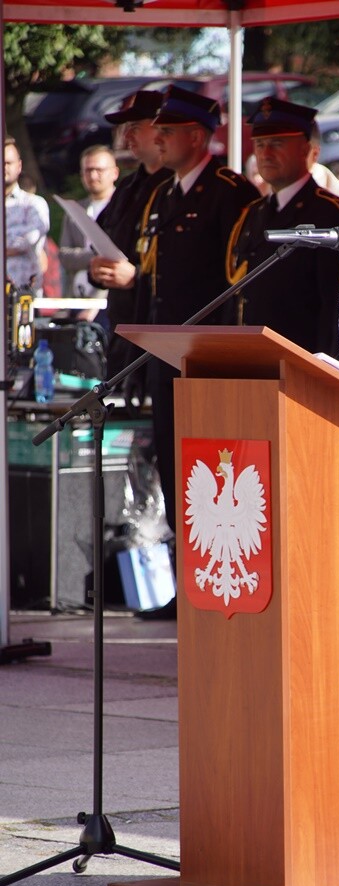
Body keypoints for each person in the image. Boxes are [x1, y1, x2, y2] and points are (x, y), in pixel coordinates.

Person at [130, 85, 256, 621]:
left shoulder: (231, 193)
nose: (157, 136)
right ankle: (189, 584)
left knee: (215, 473)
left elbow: (239, 286)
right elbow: (155, 280)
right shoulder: (163, 194)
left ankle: (221, 580)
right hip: (166, 358)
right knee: (178, 471)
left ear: (199, 137)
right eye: (157, 129)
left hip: (209, 360)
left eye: (169, 130)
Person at [226, 97, 339, 356]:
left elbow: (332, 304)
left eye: (277, 143)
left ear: (307, 150)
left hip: (299, 362)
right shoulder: (254, 212)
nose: (265, 153)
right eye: (260, 144)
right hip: (251, 359)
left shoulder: (330, 212)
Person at [88, 89, 172, 382]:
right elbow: (99, 235)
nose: (127, 137)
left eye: (136, 127)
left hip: (162, 337)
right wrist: (96, 268)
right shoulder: (127, 187)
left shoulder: (177, 186)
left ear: (161, 127)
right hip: (123, 330)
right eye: (126, 128)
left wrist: (136, 277)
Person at [58, 144, 119, 322]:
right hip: (76, 300)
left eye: (99, 170)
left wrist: (94, 305)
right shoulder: (74, 210)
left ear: (114, 173)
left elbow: (116, 260)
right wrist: (95, 257)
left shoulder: (122, 208)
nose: (93, 176)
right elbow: (64, 256)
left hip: (108, 303)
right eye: (88, 170)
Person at [4, 137, 50, 294]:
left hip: (24, 295)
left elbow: (26, 241)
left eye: (8, 163)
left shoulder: (34, 204)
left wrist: (15, 243)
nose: (3, 167)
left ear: (19, 166)